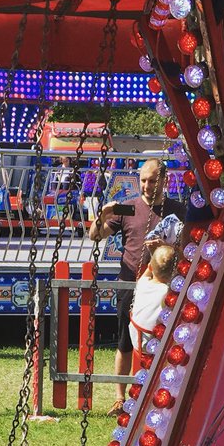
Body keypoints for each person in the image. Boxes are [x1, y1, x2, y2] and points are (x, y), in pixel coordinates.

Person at [87, 158, 185, 416]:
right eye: (143, 180)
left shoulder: (176, 209)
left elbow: (188, 247)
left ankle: (162, 393)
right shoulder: (127, 208)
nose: (146, 185)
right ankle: (120, 398)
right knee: (124, 340)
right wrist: (103, 215)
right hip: (130, 282)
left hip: (163, 285)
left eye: (152, 180)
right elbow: (95, 235)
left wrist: (168, 250)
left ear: (163, 180)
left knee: (167, 341)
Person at [129, 243, 177, 376]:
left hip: (137, 338)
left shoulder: (142, 283)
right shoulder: (167, 292)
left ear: (150, 266)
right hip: (154, 343)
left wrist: (153, 253)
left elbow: (150, 270)